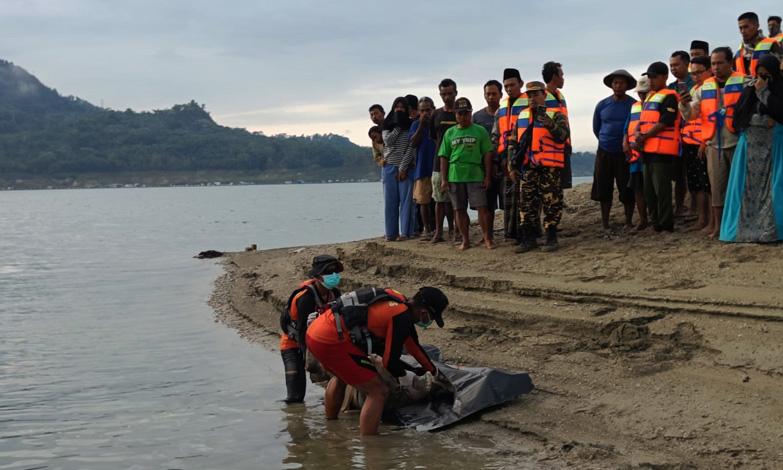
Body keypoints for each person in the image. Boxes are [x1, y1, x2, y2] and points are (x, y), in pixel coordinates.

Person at [305, 286, 449, 435]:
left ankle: (331, 428)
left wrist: (433, 371)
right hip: (332, 340)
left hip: (315, 332)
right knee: (378, 391)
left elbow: (413, 345)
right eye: (431, 319)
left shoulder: (398, 302)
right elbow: (389, 363)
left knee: (342, 376)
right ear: (424, 313)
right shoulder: (401, 316)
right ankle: (370, 447)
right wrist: (407, 377)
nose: (428, 322)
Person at [680, 47, 745, 238]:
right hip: (713, 144)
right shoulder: (704, 87)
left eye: (719, 63)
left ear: (730, 63)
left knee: (739, 186)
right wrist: (683, 104)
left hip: (737, 142)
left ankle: (740, 225)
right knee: (716, 188)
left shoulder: (743, 81)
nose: (716, 67)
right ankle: (718, 227)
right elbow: (692, 114)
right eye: (713, 63)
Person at [721, 54, 783, 242]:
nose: (763, 78)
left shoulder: (780, 89)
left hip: (774, 147)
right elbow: (739, 116)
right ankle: (742, 232)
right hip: (749, 147)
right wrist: (759, 119)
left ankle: (770, 232)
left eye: (767, 75)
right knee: (744, 190)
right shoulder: (748, 90)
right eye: (760, 74)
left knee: (773, 189)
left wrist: (765, 94)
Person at [510, 81, 569, 252]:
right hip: (528, 168)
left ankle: (551, 238)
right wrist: (511, 165)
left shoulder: (556, 115)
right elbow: (513, 142)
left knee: (552, 203)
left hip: (549, 167)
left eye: (536, 94)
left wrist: (550, 125)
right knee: (526, 204)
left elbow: (563, 136)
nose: (532, 98)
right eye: (529, 95)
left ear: (544, 95)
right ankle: (529, 240)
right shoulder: (521, 116)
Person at [279, 255, 343, 403]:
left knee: (334, 380)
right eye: (328, 273)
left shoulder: (335, 293)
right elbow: (302, 332)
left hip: (321, 341)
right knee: (295, 397)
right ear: (318, 276)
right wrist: (309, 358)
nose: (333, 276)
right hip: (294, 344)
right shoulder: (306, 298)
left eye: (336, 273)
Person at [438, 97, 495, 250]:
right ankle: (465, 240)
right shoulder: (450, 133)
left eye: (466, 113)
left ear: (470, 113)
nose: (463, 117)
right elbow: (443, 156)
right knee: (459, 209)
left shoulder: (480, 130)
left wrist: (488, 176)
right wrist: (444, 179)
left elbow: (487, 154)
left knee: (482, 208)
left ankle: (487, 238)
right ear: (455, 115)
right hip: (455, 175)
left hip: (475, 173)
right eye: (459, 114)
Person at [633, 62, 681, 233]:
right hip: (647, 150)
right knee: (649, 192)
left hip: (662, 151)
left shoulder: (669, 96)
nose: (651, 80)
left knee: (662, 191)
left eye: (654, 77)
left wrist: (644, 136)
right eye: (649, 77)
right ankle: (656, 224)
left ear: (664, 77)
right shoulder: (650, 97)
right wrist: (638, 133)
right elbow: (643, 121)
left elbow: (665, 121)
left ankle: (666, 224)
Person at [592, 69, 637, 230]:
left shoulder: (633, 105)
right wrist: (606, 140)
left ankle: (629, 221)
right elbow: (596, 128)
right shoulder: (602, 105)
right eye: (615, 82)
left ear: (627, 85)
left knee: (627, 188)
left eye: (622, 83)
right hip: (604, 151)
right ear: (611, 85)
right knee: (604, 188)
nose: (618, 86)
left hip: (625, 153)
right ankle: (605, 223)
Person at [492, 68, 528, 240]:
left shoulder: (529, 102)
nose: (509, 89)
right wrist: (496, 157)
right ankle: (511, 232)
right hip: (505, 157)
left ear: (520, 84)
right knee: (508, 195)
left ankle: (527, 233)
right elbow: (495, 134)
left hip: (525, 155)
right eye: (506, 86)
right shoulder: (502, 107)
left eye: (512, 85)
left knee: (525, 196)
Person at [681, 55, 712, 230]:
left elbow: (713, 120)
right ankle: (702, 219)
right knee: (696, 184)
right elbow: (690, 115)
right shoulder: (694, 90)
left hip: (705, 142)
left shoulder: (712, 89)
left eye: (699, 72)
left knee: (707, 184)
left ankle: (710, 220)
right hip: (690, 142)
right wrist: (683, 104)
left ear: (709, 70)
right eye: (693, 74)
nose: (696, 76)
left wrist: (705, 141)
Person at [473, 80, 504, 239]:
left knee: (508, 203)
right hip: (485, 168)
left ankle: (511, 234)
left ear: (501, 95)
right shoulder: (477, 117)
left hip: (505, 165)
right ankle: (488, 236)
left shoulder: (507, 113)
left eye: (494, 94)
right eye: (488, 94)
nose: (491, 97)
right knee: (487, 204)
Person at [382, 97, 415, 241]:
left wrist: (403, 168)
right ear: (393, 108)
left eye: (402, 107)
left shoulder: (412, 125)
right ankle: (391, 233)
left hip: (406, 168)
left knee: (406, 202)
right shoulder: (387, 124)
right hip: (389, 167)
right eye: (397, 107)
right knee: (390, 202)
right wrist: (398, 126)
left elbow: (411, 147)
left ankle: (405, 233)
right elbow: (388, 141)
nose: (399, 109)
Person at [430, 79, 458, 243]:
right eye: (443, 94)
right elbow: (434, 137)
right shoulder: (436, 114)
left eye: (449, 93)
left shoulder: (460, 112)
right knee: (439, 200)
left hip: (458, 163)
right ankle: (439, 232)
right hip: (438, 163)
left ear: (456, 92)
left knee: (457, 200)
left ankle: (456, 231)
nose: (447, 97)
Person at [668, 51, 694, 216]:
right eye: (671, 66)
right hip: (675, 136)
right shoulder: (670, 88)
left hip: (693, 134)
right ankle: (679, 207)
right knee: (678, 175)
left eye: (676, 65)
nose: (673, 68)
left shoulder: (696, 82)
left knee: (693, 174)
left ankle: (695, 208)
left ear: (686, 64)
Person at [623, 75, 650, 231]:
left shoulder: (657, 104)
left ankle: (655, 216)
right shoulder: (634, 106)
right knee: (638, 188)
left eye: (644, 92)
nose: (642, 95)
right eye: (640, 92)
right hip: (635, 155)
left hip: (651, 153)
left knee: (652, 187)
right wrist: (625, 141)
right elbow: (627, 127)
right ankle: (643, 219)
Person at [409, 97, 437, 239]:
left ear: (433, 109)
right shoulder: (415, 125)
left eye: (428, 110)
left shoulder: (438, 121)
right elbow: (413, 143)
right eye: (422, 110)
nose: (425, 113)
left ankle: (439, 229)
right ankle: (427, 230)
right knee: (423, 202)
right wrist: (421, 125)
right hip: (422, 169)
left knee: (441, 201)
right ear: (418, 112)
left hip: (438, 168)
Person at [543, 61, 572, 190]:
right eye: (561, 75)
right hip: (549, 148)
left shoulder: (560, 96)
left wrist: (568, 142)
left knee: (562, 184)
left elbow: (565, 122)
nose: (563, 78)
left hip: (563, 145)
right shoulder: (542, 97)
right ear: (555, 76)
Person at [735, 11, 781, 78]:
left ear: (757, 26)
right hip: (745, 87)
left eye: (746, 27)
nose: (742, 31)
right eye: (740, 28)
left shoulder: (772, 45)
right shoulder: (739, 51)